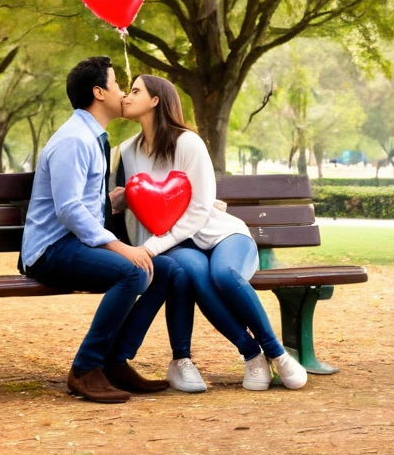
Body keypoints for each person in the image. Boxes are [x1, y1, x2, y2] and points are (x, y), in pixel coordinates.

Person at [117, 75, 308, 394]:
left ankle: (275, 351)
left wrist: (151, 247)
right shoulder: (127, 151)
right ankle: (251, 355)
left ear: (155, 100)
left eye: (135, 91)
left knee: (223, 273)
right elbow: (135, 208)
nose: (126, 96)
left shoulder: (187, 142)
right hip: (181, 245)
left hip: (223, 236)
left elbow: (200, 208)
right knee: (192, 274)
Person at [21, 57, 187, 404]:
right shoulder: (74, 140)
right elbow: (67, 209)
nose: (123, 93)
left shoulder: (93, 137)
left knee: (168, 270)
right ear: (99, 92)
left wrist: (111, 202)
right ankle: (85, 368)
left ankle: (115, 362)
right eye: (116, 84)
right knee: (130, 271)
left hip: (74, 242)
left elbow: (77, 202)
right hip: (51, 250)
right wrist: (119, 247)